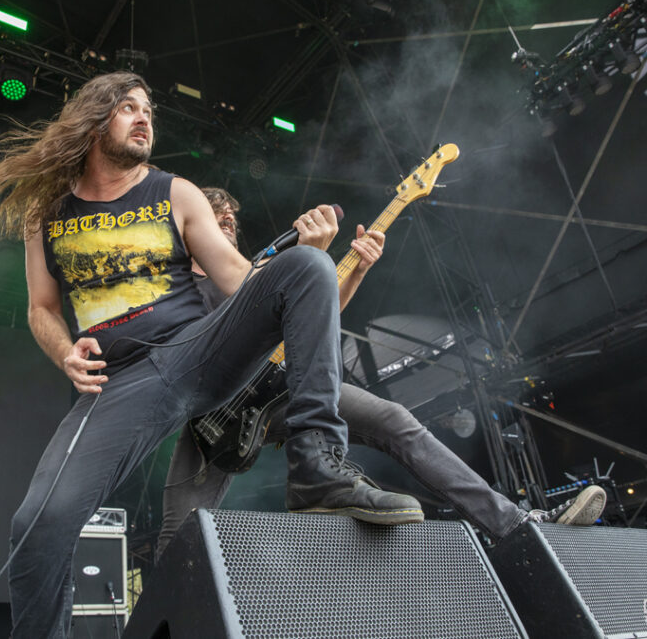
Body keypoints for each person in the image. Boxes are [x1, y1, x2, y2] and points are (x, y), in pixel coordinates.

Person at [0, 71, 421, 638]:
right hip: (123, 381)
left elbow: (239, 280)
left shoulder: (174, 191)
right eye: (128, 107)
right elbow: (40, 307)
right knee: (39, 522)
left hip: (199, 349)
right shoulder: (47, 214)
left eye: (149, 110)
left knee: (305, 268)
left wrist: (314, 256)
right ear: (93, 116)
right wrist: (64, 352)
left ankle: (316, 468)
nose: (144, 117)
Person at [156, 187, 607, 558]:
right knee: (179, 537)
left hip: (280, 389)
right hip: (214, 412)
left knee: (396, 420)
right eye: (217, 215)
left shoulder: (263, 270)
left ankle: (517, 525)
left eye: (232, 216)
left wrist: (356, 271)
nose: (229, 221)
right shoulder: (178, 287)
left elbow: (311, 321)